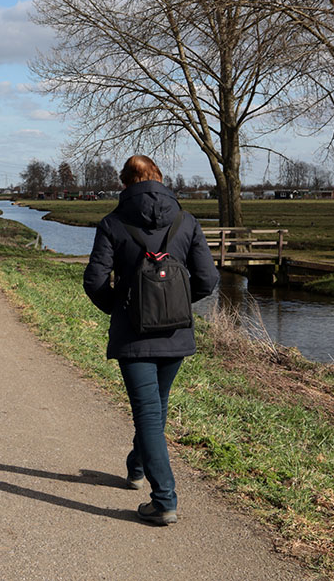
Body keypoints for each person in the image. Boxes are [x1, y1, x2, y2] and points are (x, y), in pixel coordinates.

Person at [82, 155, 219, 526]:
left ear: (125, 184)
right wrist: (172, 305)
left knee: (148, 412)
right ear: (159, 178)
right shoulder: (186, 221)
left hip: (134, 337)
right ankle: (136, 465)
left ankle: (164, 501)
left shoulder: (113, 222)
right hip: (175, 335)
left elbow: (94, 281)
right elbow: (207, 279)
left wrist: (123, 309)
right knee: (154, 409)